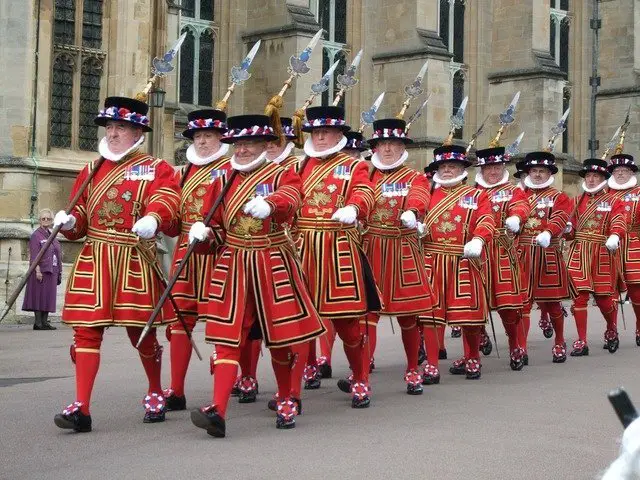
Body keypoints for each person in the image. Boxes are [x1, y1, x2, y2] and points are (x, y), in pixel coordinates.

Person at [188, 114, 325, 436]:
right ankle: (218, 410)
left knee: (281, 338)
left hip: (272, 260)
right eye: (238, 144)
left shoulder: (282, 173)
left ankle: (287, 397)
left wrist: (272, 204)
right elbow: (217, 228)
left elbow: (293, 198)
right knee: (226, 339)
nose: (243, 150)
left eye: (249, 144)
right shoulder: (223, 179)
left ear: (266, 145)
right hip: (234, 264)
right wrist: (204, 234)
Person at [52, 96, 180, 433]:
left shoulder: (156, 167)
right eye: (109, 127)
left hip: (133, 256)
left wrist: (154, 217)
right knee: (85, 333)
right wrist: (69, 221)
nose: (112, 133)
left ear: (138, 131)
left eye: (120, 127)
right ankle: (81, 405)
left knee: (142, 333)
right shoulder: (92, 169)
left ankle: (154, 390)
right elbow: (80, 216)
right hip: (95, 256)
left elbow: (166, 198)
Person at [296, 105, 378, 408]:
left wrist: (354, 207)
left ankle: (360, 378)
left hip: (338, 247)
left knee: (348, 324)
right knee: (301, 320)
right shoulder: (298, 167)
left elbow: (365, 192)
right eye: (315, 132)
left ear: (338, 135)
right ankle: (295, 385)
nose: (319, 137)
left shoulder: (353, 166)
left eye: (325, 132)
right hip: (302, 248)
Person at [163, 109, 231, 411]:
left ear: (221, 138)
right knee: (180, 318)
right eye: (198, 136)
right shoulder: (182, 172)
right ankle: (176, 389)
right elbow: (174, 219)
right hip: (186, 253)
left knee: (226, 321)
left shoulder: (232, 168)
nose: (202, 141)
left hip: (220, 250)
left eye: (209, 136)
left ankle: (238, 382)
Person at [361, 117, 433, 394]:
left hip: (402, 248)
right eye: (382, 143)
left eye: (393, 143)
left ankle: (413, 369)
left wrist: (412, 212)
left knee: (408, 316)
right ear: (375, 147)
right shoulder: (365, 175)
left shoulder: (414, 177)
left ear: (403, 147)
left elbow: (420, 196)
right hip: (371, 247)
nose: (387, 149)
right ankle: (362, 371)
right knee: (367, 313)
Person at [419, 145, 495, 382]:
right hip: (432, 259)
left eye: (452, 166)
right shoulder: (428, 193)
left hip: (464, 258)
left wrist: (479, 238)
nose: (447, 170)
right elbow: (416, 213)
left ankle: (472, 358)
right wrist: (416, 226)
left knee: (468, 316)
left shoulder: (477, 195)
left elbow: (487, 219)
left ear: (462, 168)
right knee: (431, 316)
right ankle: (432, 364)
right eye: (443, 166)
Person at [473, 146, 531, 370]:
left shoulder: (513, 190)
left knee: (508, 305)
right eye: (489, 167)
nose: (493, 171)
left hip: (503, 252)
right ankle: (475, 347)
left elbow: (522, 206)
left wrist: (517, 217)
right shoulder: (473, 192)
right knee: (474, 304)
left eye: (497, 167)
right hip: (479, 252)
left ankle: (515, 345)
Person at [566, 159, 626, 356]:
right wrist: (567, 229)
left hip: (602, 251)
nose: (591, 180)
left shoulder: (613, 201)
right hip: (580, 251)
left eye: (596, 176)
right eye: (589, 176)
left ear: (603, 178)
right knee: (579, 298)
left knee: (604, 300)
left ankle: (611, 328)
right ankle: (581, 340)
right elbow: (571, 231)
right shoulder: (576, 201)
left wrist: (615, 235)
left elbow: (619, 221)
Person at [517, 152, 572, 364]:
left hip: (547, 253)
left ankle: (559, 340)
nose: (537, 174)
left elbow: (560, 217)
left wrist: (548, 232)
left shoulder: (559, 197)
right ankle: (521, 346)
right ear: (528, 173)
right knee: (522, 303)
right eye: (533, 171)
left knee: (552, 304)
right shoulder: (518, 195)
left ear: (549, 173)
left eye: (541, 171)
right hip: (522, 253)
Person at [607, 152, 640, 348]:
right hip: (610, 246)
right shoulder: (604, 194)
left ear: (631, 172)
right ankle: (611, 330)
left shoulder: (639, 193)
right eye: (617, 170)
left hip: (634, 244)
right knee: (608, 291)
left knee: (636, 291)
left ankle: (639, 326)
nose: (620, 174)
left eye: (624, 170)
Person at [22, 208, 62, 330]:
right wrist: (37, 270)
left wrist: (59, 271)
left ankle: (44, 322)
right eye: (43, 218)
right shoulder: (36, 235)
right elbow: (34, 254)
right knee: (39, 295)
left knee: (48, 296)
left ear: (51, 221)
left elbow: (57, 252)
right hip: (41, 270)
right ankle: (38, 323)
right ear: (39, 220)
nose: (45, 220)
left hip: (52, 269)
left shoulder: (52, 235)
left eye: (48, 219)